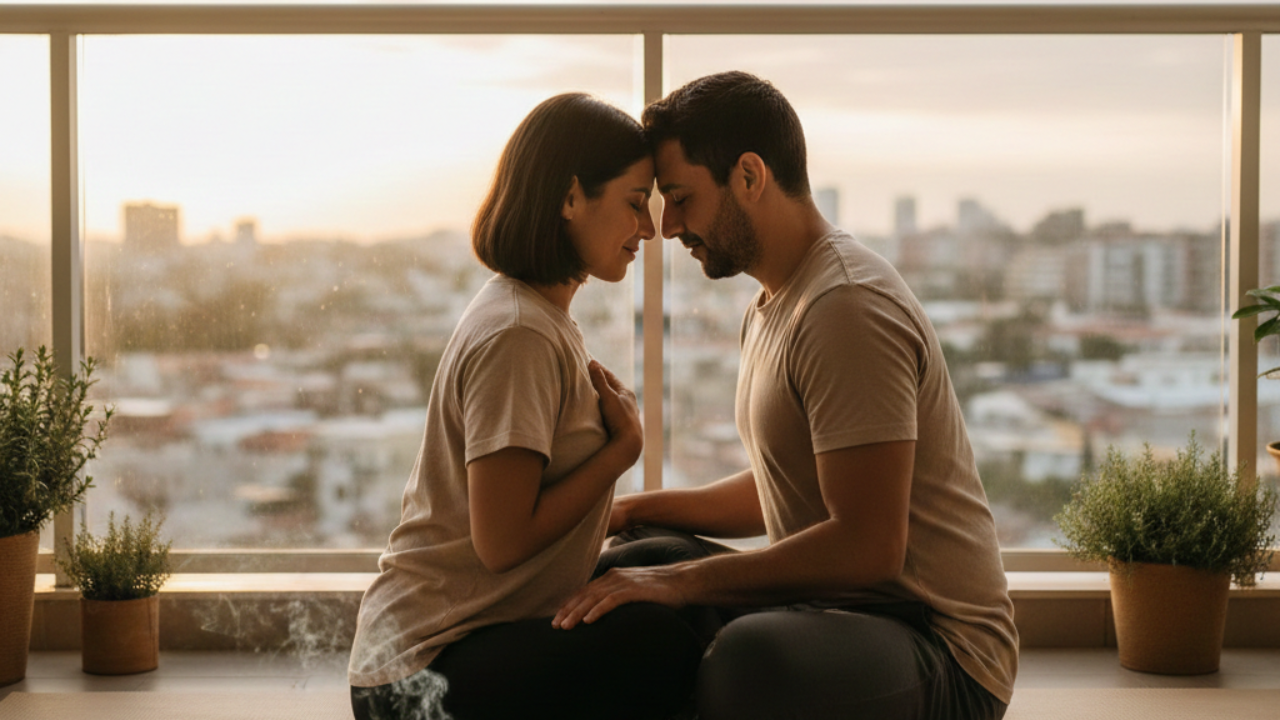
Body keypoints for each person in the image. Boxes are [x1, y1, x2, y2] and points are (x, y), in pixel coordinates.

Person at [554, 71, 1019, 720]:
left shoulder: (845, 305)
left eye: (682, 198)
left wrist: (681, 583)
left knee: (747, 659)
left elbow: (866, 544)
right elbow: (788, 482)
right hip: (840, 610)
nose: (669, 227)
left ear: (749, 176)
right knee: (639, 556)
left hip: (939, 648)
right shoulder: (775, 302)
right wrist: (632, 512)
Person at [347, 93, 704, 720]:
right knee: (658, 643)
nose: (648, 230)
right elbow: (502, 543)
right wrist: (623, 450)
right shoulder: (520, 334)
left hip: (464, 639)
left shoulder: (534, 312)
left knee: (669, 561)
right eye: (632, 204)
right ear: (570, 199)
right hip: (416, 679)